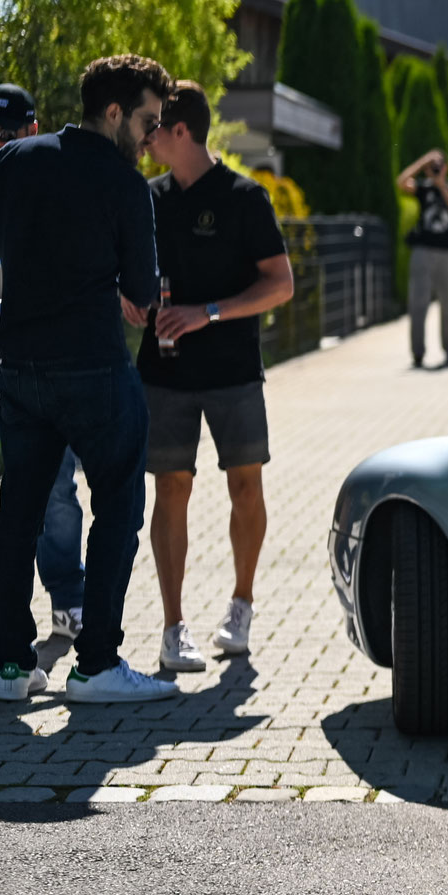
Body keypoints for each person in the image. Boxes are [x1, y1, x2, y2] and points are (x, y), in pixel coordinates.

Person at [0, 53, 178, 702]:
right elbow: (143, 292)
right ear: (112, 112)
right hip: (95, 371)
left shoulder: (17, 161)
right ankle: (96, 666)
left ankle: (11, 667)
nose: (150, 136)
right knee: (118, 506)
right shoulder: (124, 185)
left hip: (22, 370)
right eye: (145, 121)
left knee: (19, 515)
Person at [124, 81, 294, 672]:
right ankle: (173, 628)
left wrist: (209, 312)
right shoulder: (146, 198)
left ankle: (241, 606)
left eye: (153, 129)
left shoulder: (245, 198)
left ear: (180, 132)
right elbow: (126, 273)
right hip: (164, 372)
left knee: (245, 488)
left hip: (233, 373)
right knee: (170, 489)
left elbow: (281, 284)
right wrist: (130, 299)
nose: (144, 139)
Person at [0, 84, 87, 642]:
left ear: (32, 131)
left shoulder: (57, 186)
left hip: (38, 366)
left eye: (3, 134)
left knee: (56, 490)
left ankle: (69, 600)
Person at [398, 148, 448, 368]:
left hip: (447, 254)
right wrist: (422, 161)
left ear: (447, 167)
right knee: (418, 303)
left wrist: (441, 184)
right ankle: (417, 353)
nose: (436, 168)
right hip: (423, 251)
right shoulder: (422, 189)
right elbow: (401, 182)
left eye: (439, 164)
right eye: (433, 165)